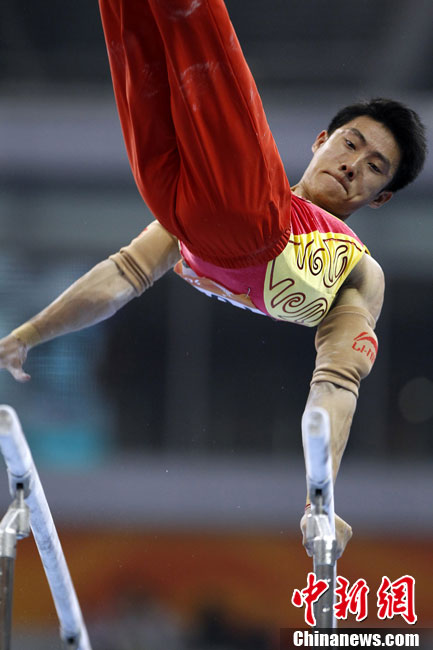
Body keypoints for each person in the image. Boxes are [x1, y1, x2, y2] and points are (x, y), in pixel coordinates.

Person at [0, 0, 426, 559]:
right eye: (351, 144)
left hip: (179, 203)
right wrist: (29, 333)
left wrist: (317, 497)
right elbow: (122, 274)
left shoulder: (360, 270)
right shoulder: (266, 191)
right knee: (192, 19)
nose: (353, 165)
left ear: (381, 198)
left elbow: (336, 384)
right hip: (247, 213)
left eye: (374, 167)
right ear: (321, 140)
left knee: (131, 28)